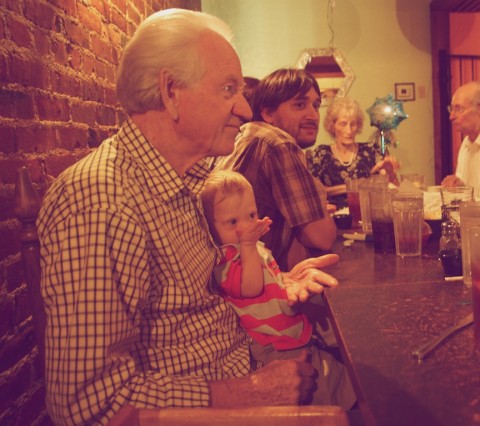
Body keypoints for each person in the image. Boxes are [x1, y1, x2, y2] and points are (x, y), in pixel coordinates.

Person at [37, 10, 341, 425]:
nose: (245, 108)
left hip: (256, 360)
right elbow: (89, 405)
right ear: (170, 92)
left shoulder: (192, 181)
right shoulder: (102, 201)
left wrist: (276, 281)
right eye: (229, 88)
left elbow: (204, 295)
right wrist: (249, 393)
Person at [201, 170, 355, 409]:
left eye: (251, 215)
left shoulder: (249, 248)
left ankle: (352, 400)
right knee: (315, 386)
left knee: (335, 364)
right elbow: (251, 287)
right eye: (233, 222)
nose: (246, 226)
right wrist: (249, 245)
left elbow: (269, 278)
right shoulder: (225, 260)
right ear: (212, 229)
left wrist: (283, 279)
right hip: (271, 345)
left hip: (287, 328)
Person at [215, 68, 337, 271]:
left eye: (316, 106)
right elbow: (322, 238)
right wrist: (318, 191)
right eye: (300, 105)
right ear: (268, 113)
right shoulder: (276, 142)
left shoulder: (243, 135)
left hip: (229, 278)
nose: (313, 115)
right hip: (249, 287)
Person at [305, 97, 400, 209]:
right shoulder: (321, 154)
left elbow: (393, 188)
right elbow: (313, 192)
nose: (349, 130)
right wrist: (356, 186)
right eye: (343, 124)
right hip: (336, 216)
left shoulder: (371, 150)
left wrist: (390, 173)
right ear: (333, 126)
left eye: (353, 124)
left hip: (369, 213)